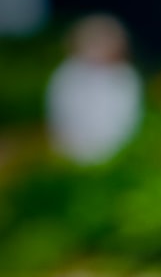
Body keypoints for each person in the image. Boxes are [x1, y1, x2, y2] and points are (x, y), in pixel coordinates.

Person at [45, 13, 143, 164]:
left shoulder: (124, 76)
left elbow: (128, 118)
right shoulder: (69, 73)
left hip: (116, 153)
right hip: (70, 152)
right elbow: (61, 113)